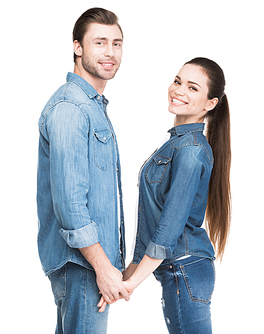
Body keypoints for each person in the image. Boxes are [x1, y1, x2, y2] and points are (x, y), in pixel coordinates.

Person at [100, 57, 231, 334]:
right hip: (179, 270)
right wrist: (126, 274)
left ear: (211, 103)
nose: (179, 90)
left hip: (185, 269)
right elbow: (153, 219)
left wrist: (130, 284)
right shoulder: (176, 144)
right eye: (177, 81)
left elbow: (168, 230)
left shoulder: (191, 151)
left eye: (193, 88)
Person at [36, 7, 130, 334]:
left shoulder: (92, 106)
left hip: (87, 265)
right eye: (100, 42)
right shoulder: (71, 108)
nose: (110, 53)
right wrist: (103, 268)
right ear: (78, 47)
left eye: (116, 44)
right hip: (81, 265)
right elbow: (70, 203)